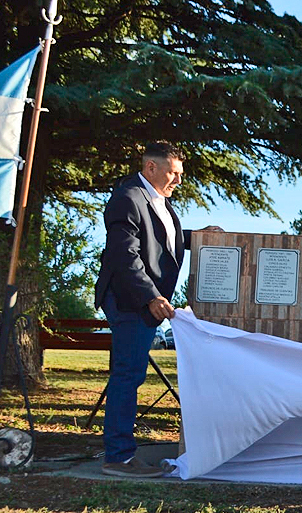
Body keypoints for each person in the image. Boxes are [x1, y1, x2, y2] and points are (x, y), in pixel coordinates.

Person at [94, 141, 218, 477]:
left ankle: (120, 453)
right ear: (151, 167)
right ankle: (118, 458)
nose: (178, 180)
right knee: (127, 376)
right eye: (173, 173)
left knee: (130, 375)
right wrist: (150, 296)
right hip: (129, 301)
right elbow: (125, 255)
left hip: (143, 303)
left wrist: (198, 236)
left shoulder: (158, 200)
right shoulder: (128, 197)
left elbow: (163, 240)